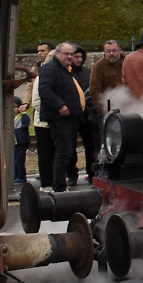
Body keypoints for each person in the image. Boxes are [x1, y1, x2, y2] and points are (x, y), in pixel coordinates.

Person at [38, 42, 88, 192]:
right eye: (66, 54)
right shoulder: (49, 69)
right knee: (63, 152)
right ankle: (59, 187)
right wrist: (60, 105)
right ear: (57, 54)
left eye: (71, 54)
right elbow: (45, 90)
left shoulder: (65, 69)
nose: (70, 57)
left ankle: (59, 184)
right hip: (59, 118)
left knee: (66, 151)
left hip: (71, 118)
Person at [30, 42, 54, 187]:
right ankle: (47, 182)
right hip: (43, 121)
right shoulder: (41, 77)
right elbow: (36, 101)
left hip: (55, 121)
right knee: (45, 154)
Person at [72, 46, 97, 183]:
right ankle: (72, 174)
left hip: (87, 115)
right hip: (73, 115)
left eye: (81, 57)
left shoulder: (88, 72)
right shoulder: (67, 72)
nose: (79, 59)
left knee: (91, 146)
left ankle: (91, 172)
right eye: (76, 57)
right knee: (70, 148)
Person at [89, 40, 124, 117]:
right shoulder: (98, 67)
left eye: (114, 51)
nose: (111, 54)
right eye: (108, 51)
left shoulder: (127, 62)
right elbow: (95, 90)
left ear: (120, 50)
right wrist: (103, 109)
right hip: (108, 108)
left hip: (128, 105)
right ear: (104, 52)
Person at [12, 96, 31, 185]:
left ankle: (21, 177)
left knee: (20, 161)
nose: (13, 109)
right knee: (14, 161)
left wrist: (23, 113)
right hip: (14, 143)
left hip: (21, 142)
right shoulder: (10, 118)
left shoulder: (22, 117)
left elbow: (26, 123)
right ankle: (15, 176)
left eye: (15, 107)